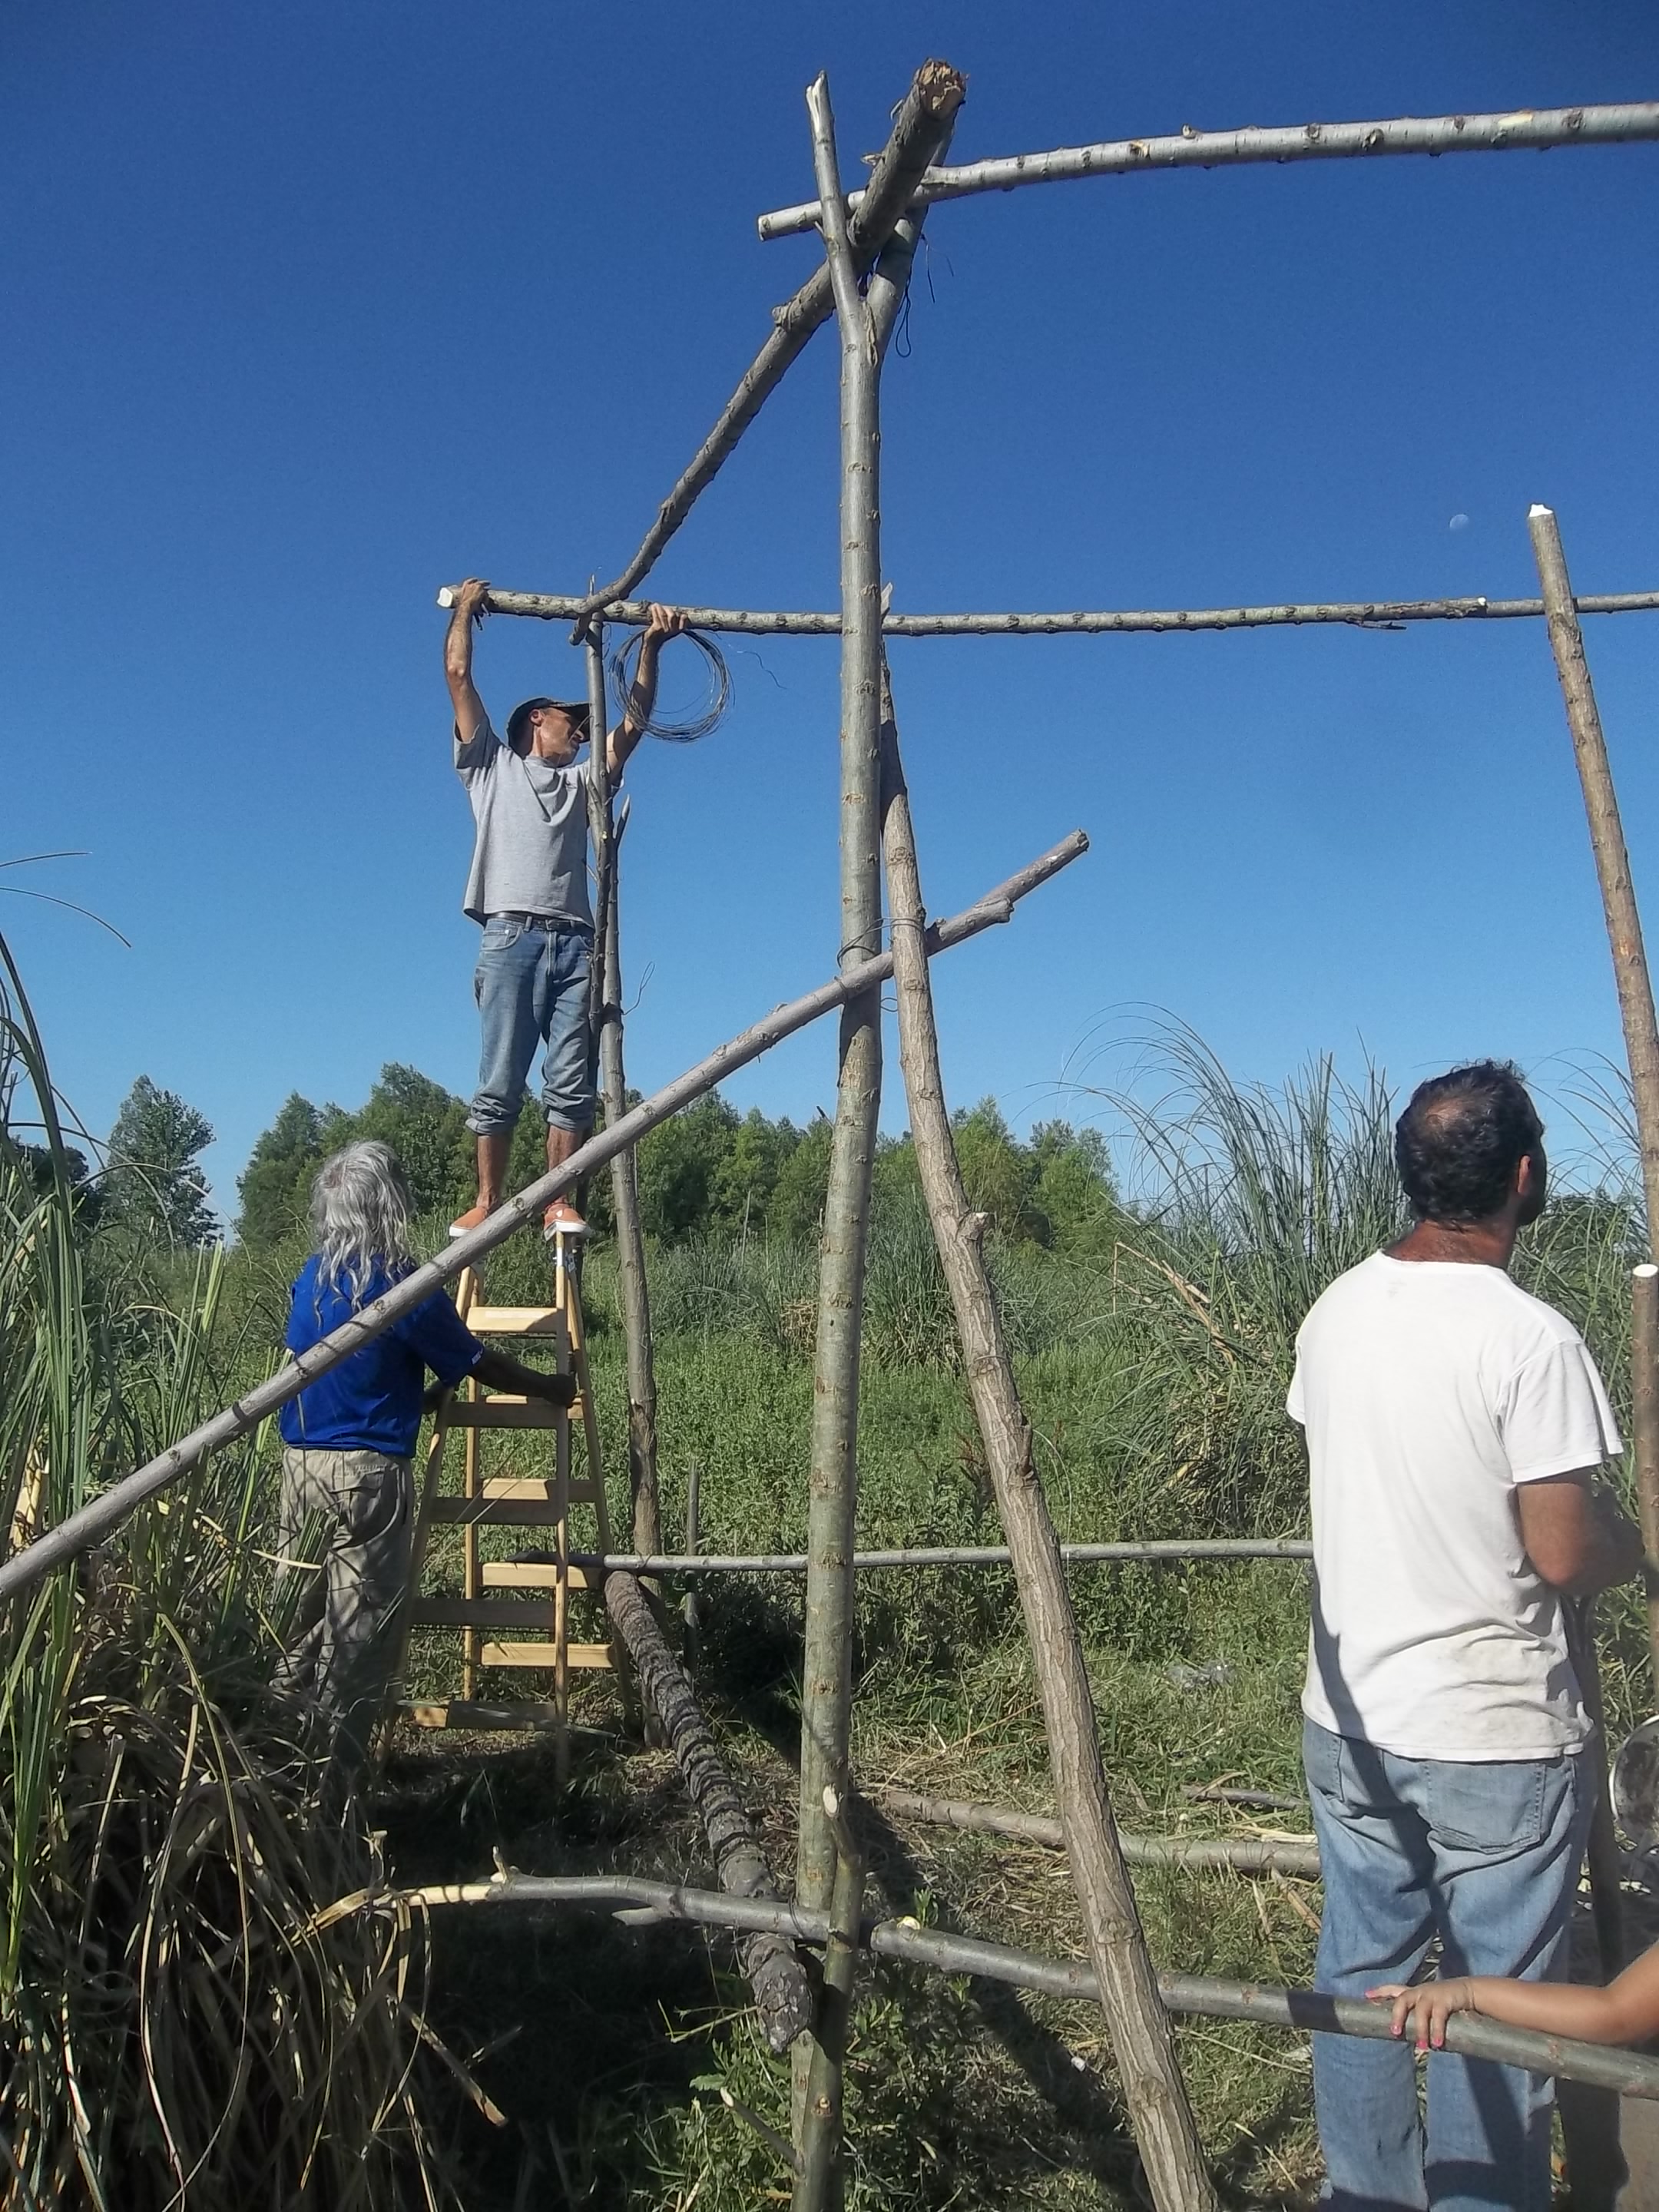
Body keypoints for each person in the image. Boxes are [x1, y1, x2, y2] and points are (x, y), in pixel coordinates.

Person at [1288, 1060, 1644, 2212]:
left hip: (1351, 1717)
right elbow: (1561, 1552)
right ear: (1525, 1176)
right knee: (1491, 2003)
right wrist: (1633, 1545)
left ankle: (1367, 2197)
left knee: (1364, 1979)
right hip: (1491, 1729)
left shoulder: (1337, 1311)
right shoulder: (1531, 1340)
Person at [275, 1140, 575, 1770]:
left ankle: (276, 1768)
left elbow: (348, 1370)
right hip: (365, 1475)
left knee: (295, 1630)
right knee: (355, 1643)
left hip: (299, 1468)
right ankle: (336, 1792)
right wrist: (550, 1387)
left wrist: (414, 1397)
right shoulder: (398, 1281)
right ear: (388, 1205)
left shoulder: (313, 1277)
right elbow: (478, 1360)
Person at [443, 577, 687, 1240]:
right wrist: (464, 610)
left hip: (576, 944)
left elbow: (632, 727)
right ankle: (488, 1201)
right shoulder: (491, 767)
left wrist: (651, 649)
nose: (580, 729)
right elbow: (459, 675)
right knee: (500, 1080)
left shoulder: (582, 782)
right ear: (534, 721)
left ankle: (556, 1202)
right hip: (510, 937)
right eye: (567, 719)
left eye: (583, 723)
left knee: (572, 1083)